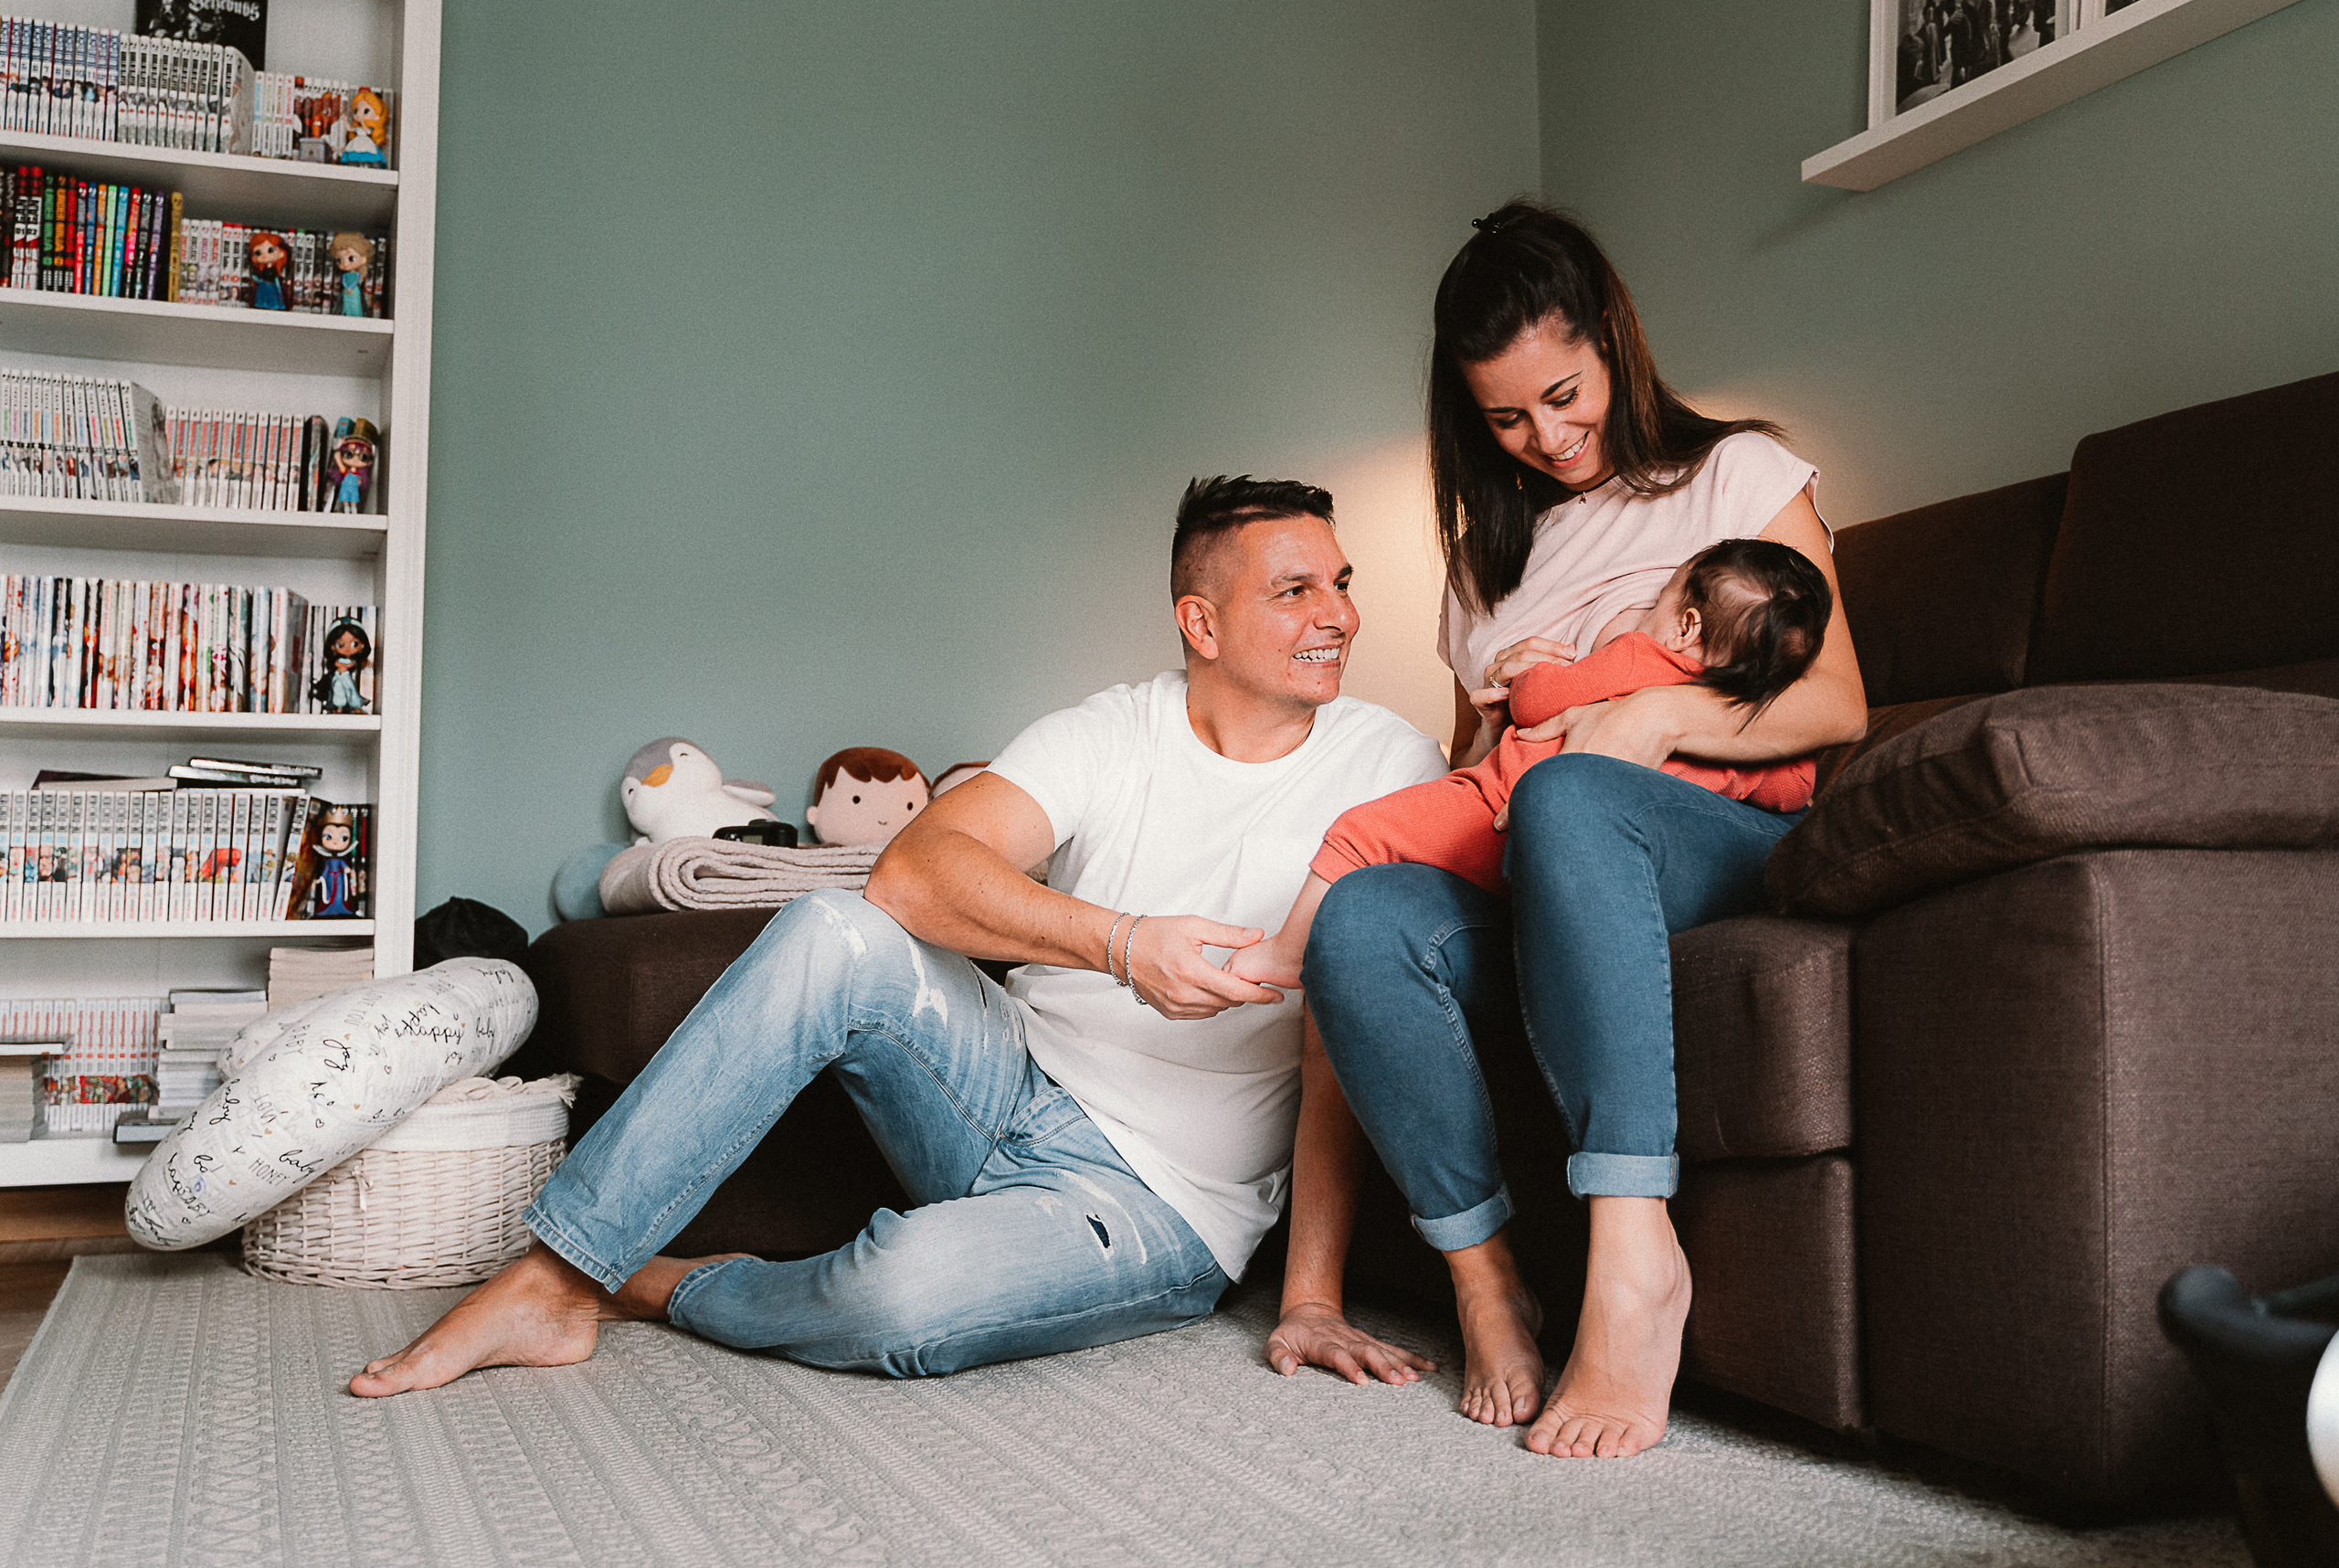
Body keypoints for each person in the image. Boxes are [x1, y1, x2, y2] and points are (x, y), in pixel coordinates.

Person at [349, 474, 1444, 1398]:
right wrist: (1124, 944)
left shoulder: (1386, 759)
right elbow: (912, 871)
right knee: (835, 928)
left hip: (1157, 1205)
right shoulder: (1114, 728)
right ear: (1200, 622)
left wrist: (1308, 1296)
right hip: (1002, 1091)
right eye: (1296, 590)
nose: (1339, 615)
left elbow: (1347, 1032)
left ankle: (658, 1282)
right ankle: (556, 1272)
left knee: (903, 1297)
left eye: (1341, 584)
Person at [1266, 202, 1866, 1460]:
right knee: (1364, 922)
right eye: (1506, 419)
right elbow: (1473, 776)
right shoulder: (1488, 565)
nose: (1547, 437)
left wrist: (1656, 713)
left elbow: (1832, 700)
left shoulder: (1739, 473)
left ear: (1612, 340)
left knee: (1571, 794)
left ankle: (1634, 1258)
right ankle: (1487, 1284)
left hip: (1702, 840)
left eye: (1564, 391)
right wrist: (1492, 740)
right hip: (1544, 841)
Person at [1227, 538, 1830, 985]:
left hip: (1497, 812)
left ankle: (1287, 952)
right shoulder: (1744, 721)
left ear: (1685, 626)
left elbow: (1539, 700)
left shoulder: (1639, 659)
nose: (1647, 613)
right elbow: (1794, 789)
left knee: (1361, 831)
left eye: (1660, 599)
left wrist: (1532, 675)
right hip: (1604, 872)